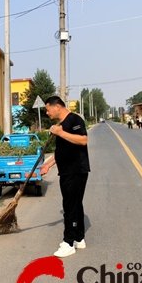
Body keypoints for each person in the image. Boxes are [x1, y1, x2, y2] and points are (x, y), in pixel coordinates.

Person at [39, 96, 90, 258]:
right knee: (75, 204)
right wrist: (48, 164)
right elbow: (61, 151)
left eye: (48, 109)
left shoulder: (74, 120)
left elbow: (83, 140)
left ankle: (68, 242)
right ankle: (79, 238)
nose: (47, 113)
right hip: (67, 170)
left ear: (58, 107)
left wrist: (61, 132)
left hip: (75, 170)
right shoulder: (60, 125)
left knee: (70, 206)